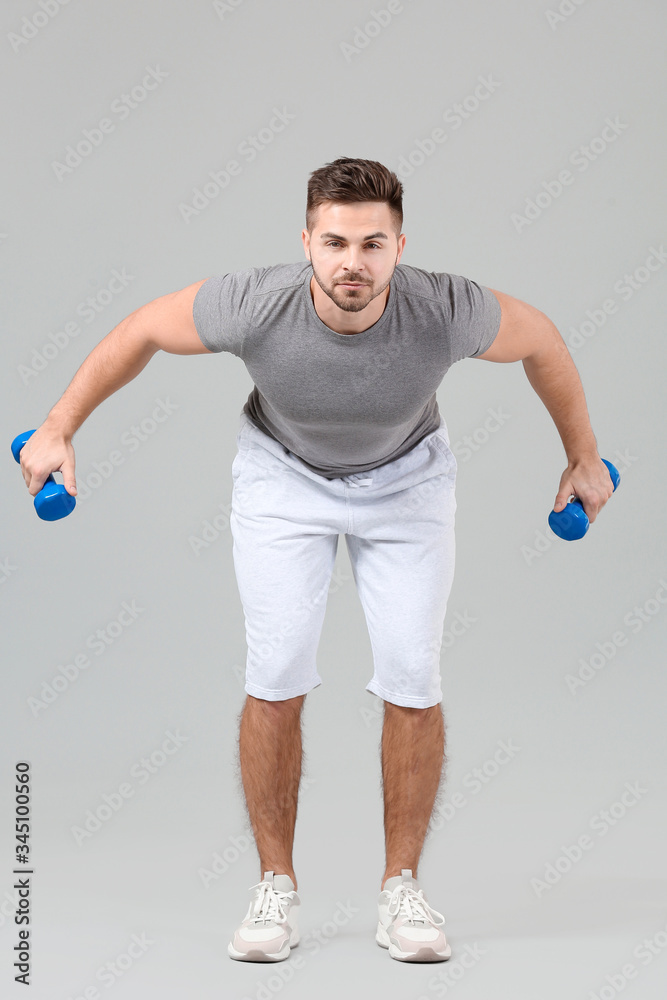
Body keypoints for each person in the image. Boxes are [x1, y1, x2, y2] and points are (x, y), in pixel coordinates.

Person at [19, 157, 615, 965]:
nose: (352, 264)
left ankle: (400, 887)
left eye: (373, 244)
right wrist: (59, 424)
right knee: (275, 675)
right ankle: (276, 889)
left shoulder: (445, 308)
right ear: (306, 241)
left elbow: (540, 339)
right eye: (334, 242)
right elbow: (143, 332)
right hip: (282, 477)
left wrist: (581, 454)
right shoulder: (254, 303)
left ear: (400, 247)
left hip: (406, 479)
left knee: (412, 676)